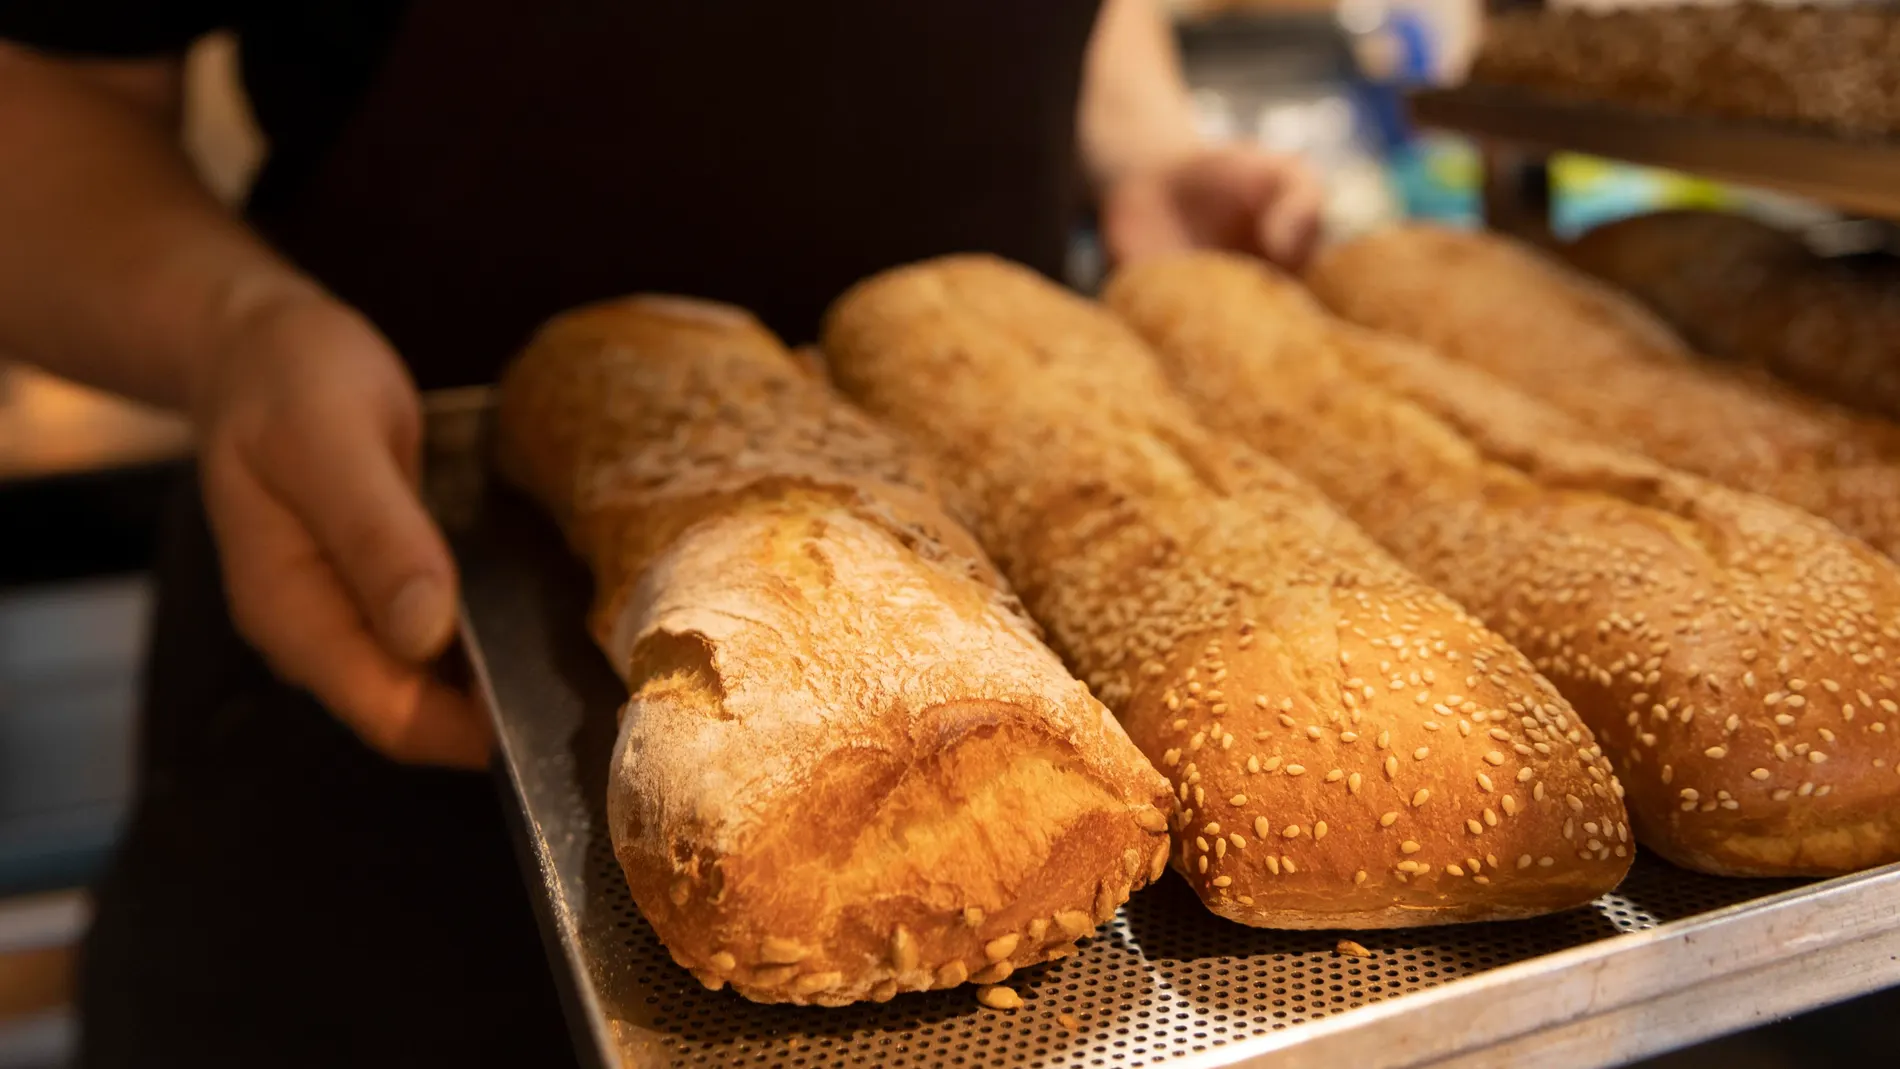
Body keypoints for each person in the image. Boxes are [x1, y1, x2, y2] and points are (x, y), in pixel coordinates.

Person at [0, 2, 1321, 1065]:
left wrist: (1145, 145)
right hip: (383, 597)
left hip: (998, 584)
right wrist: (232, 329)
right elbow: (43, 91)